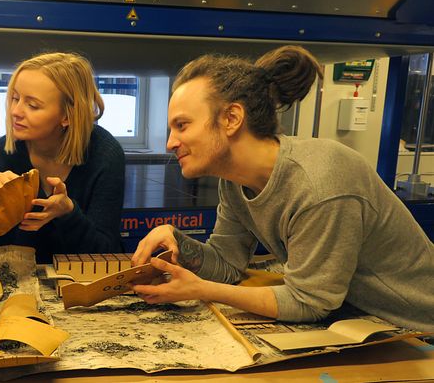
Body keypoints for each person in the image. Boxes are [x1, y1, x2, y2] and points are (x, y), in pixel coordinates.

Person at [131, 45, 434, 331]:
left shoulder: (319, 182)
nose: (170, 142)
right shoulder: (235, 184)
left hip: (416, 328)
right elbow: (226, 265)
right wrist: (177, 240)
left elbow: (310, 302)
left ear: (232, 118)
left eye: (182, 125)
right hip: (359, 316)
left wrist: (202, 290)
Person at [0, 52, 125, 263]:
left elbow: (106, 253)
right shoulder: (0, 156)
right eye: (15, 98)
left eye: (33, 105)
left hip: (84, 282)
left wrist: (69, 212)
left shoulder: (105, 155)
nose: (15, 111)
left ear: (67, 116)